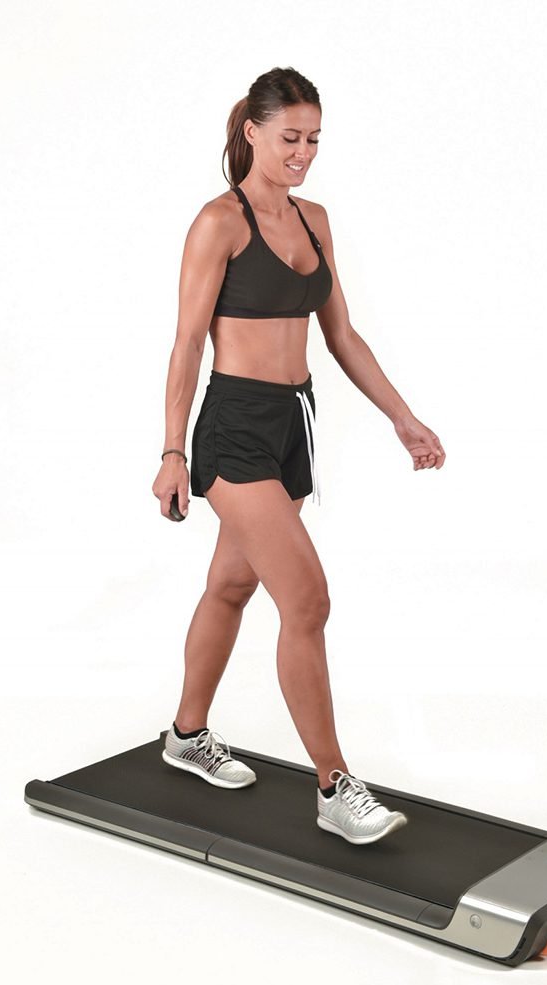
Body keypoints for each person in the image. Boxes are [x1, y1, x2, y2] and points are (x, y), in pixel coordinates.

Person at [151, 67, 445, 846]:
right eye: (290, 138)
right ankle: (333, 785)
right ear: (252, 131)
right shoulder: (219, 223)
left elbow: (341, 334)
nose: (303, 153)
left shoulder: (315, 220)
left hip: (291, 427)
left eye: (314, 139)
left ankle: (185, 735)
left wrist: (403, 418)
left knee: (231, 585)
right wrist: (173, 451)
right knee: (307, 601)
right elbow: (187, 342)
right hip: (234, 429)